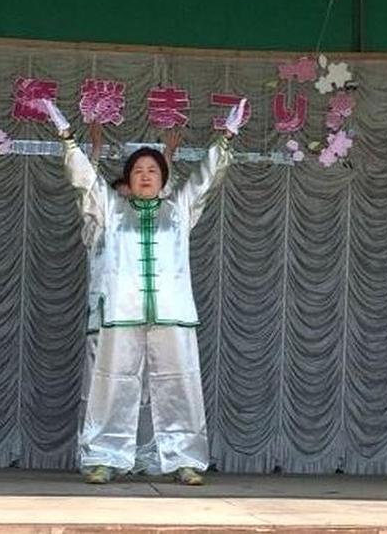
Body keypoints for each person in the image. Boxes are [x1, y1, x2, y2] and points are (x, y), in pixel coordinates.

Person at [47, 98, 245, 485]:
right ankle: (103, 458)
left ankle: (186, 460)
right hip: (121, 313)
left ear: (163, 177)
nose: (145, 175)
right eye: (138, 170)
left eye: (153, 169)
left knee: (179, 385)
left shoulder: (179, 210)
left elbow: (205, 180)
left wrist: (226, 139)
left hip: (173, 313)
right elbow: (85, 179)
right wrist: (67, 138)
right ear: (129, 178)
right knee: (111, 385)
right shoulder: (111, 210)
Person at [78, 126, 181, 476]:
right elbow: (88, 188)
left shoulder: (152, 222)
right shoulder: (100, 224)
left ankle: (146, 455)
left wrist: (168, 157)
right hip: (106, 319)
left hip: (145, 316)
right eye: (121, 195)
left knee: (148, 390)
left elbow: (166, 199)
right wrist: (94, 150)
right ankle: (100, 456)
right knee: (103, 389)